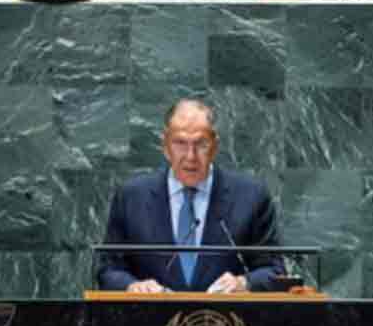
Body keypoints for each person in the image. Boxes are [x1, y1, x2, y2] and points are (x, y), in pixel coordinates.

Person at [98, 98, 284, 294]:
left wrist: (244, 283)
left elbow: (274, 270)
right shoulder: (132, 197)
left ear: (215, 146)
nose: (190, 156)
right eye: (180, 143)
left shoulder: (251, 196)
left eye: (201, 144)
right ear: (165, 145)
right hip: (149, 320)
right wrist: (133, 286)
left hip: (227, 321)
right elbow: (108, 269)